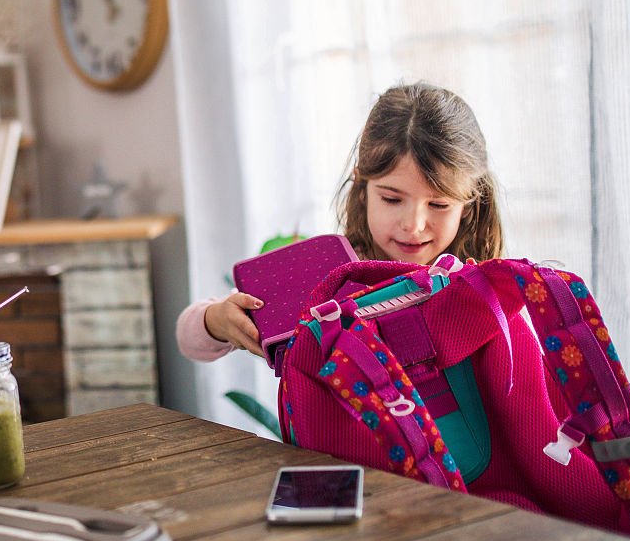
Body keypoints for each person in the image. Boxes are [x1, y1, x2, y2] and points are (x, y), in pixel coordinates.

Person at [176, 81, 503, 362]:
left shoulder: (485, 283)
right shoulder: (332, 272)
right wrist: (218, 320)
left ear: (469, 205)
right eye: (391, 199)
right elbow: (187, 336)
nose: (414, 224)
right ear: (362, 190)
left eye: (439, 204)